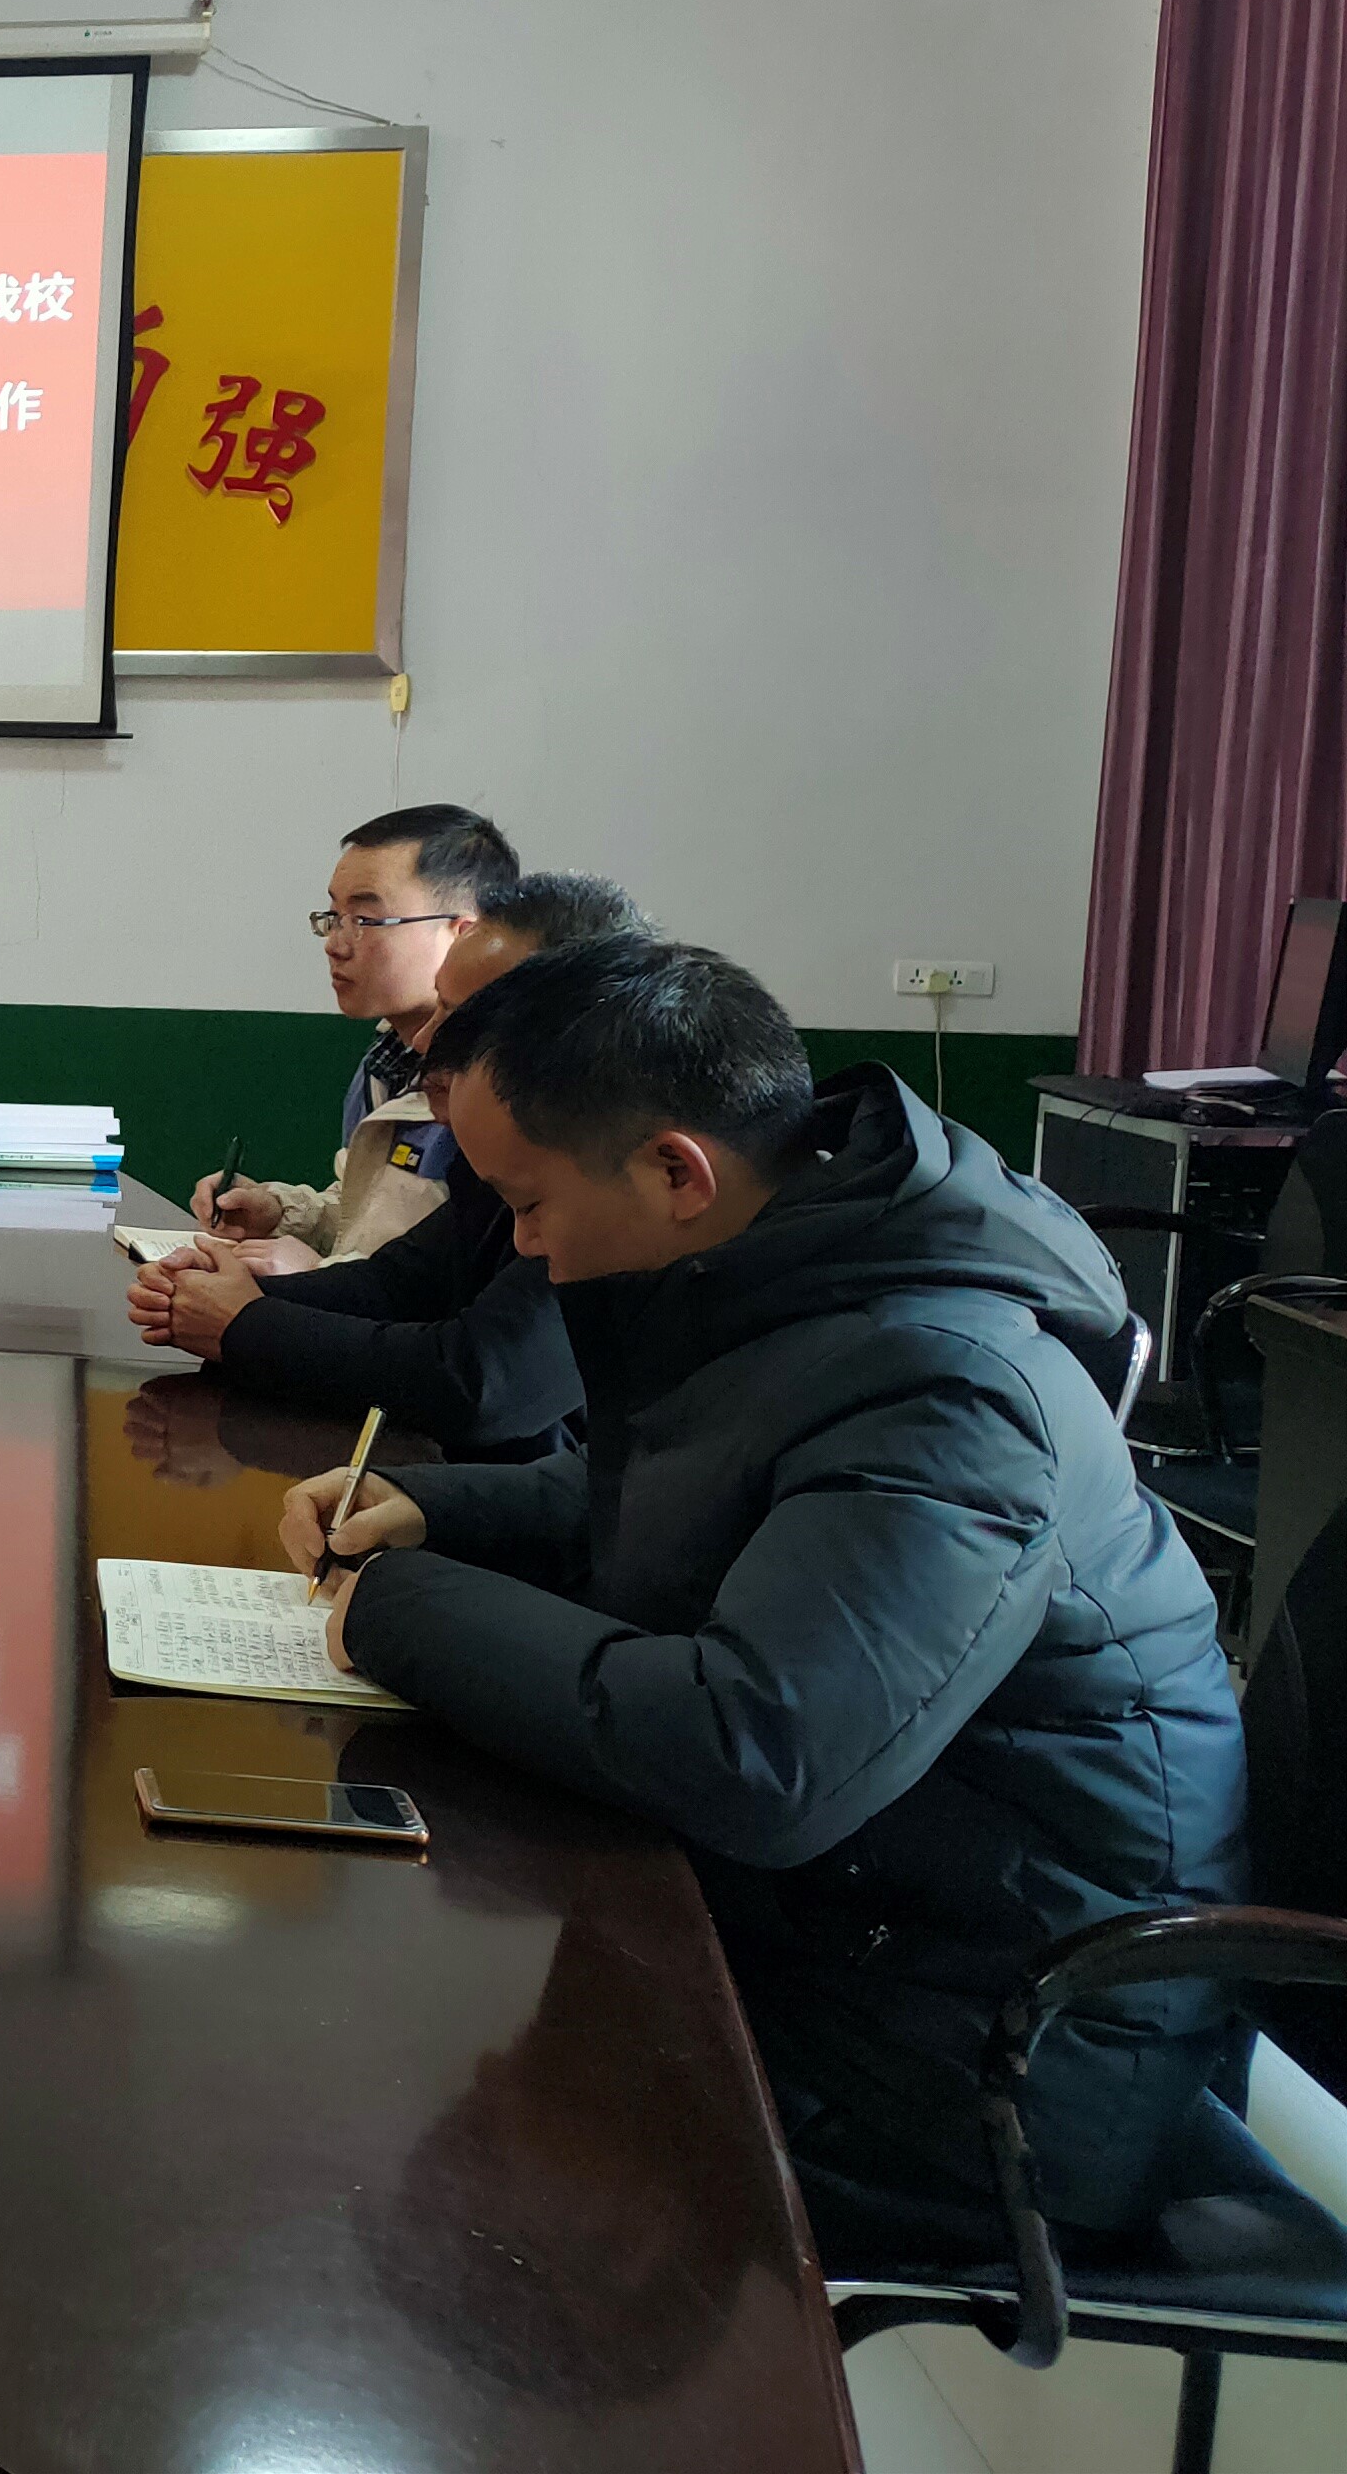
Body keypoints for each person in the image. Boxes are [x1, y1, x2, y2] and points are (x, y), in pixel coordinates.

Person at [290, 936, 1249, 2262]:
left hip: (991, 2060)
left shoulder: (951, 1388)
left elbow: (759, 1754)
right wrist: (438, 1507)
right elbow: (716, 1484)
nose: (520, 1242)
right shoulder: (800, 1266)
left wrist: (398, 1605)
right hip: (864, 1930)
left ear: (674, 1172)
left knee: (349, 2102)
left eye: (528, 1201)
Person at [131, 872, 644, 1450]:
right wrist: (213, 1292)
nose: (423, 1043)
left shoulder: (617, 1174)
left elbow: (480, 1385)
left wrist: (244, 1324)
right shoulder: (492, 1148)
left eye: (460, 1019)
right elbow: (397, 1282)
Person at [193, 803, 518, 1270]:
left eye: (364, 920)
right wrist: (279, 1213)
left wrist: (313, 1275)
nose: (335, 944)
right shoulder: (386, 1059)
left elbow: (453, 1281)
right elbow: (365, 1218)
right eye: (333, 916)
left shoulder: (498, 1084)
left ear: (463, 934)